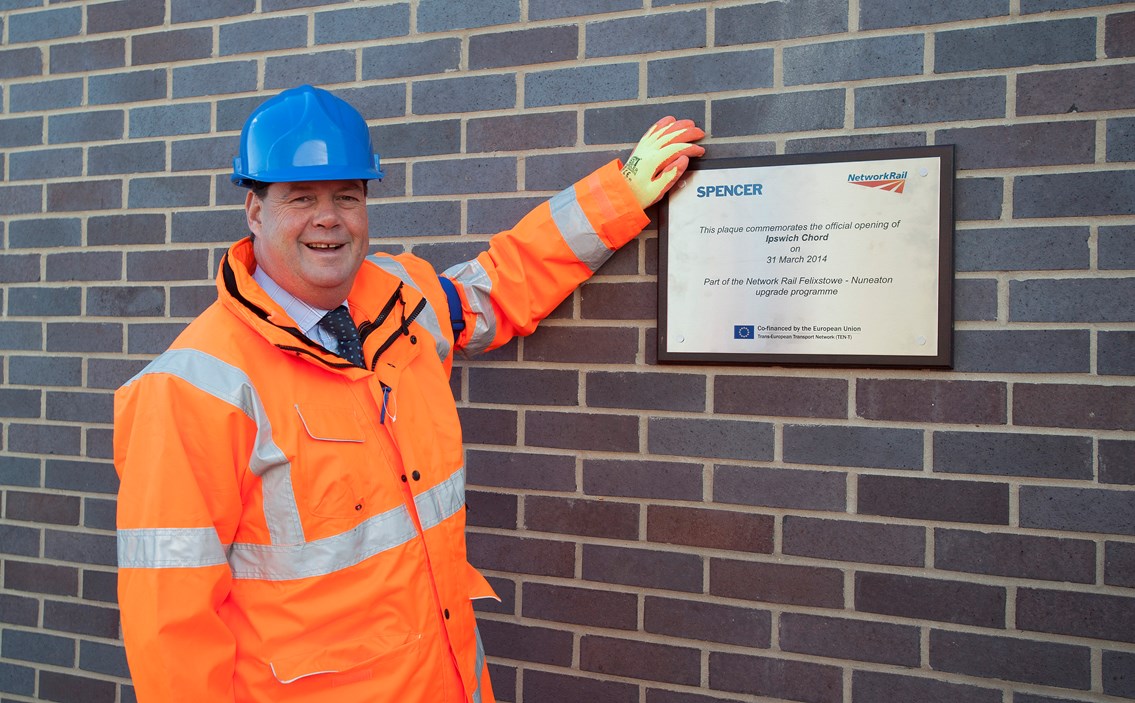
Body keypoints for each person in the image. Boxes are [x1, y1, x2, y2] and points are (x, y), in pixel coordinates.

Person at [113, 84, 704, 703]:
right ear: (255, 211)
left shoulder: (402, 301)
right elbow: (169, 625)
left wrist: (620, 197)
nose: (328, 218)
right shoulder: (193, 389)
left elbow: (500, 283)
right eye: (300, 198)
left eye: (347, 196)